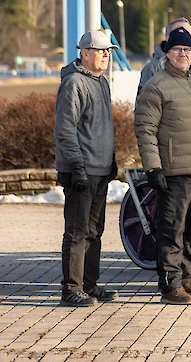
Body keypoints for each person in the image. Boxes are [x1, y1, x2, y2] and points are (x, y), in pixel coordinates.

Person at [134, 27, 191, 305]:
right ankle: (170, 283)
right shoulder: (157, 85)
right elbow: (145, 129)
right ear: (168, 53)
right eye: (177, 50)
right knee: (172, 228)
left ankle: (187, 276)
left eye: (187, 50)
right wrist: (153, 168)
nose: (183, 54)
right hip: (173, 170)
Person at [55, 30, 119, 307]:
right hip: (81, 170)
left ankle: (89, 286)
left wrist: (111, 159)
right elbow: (65, 131)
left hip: (100, 169)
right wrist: (77, 167)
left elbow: (102, 126)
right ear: (84, 52)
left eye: (108, 52)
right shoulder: (73, 84)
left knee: (95, 231)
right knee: (77, 231)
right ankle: (71, 289)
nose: (105, 56)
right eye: (100, 50)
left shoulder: (101, 82)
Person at [138, 17, 191, 93]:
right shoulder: (152, 69)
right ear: (168, 38)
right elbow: (143, 101)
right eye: (181, 34)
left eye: (190, 36)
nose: (186, 38)